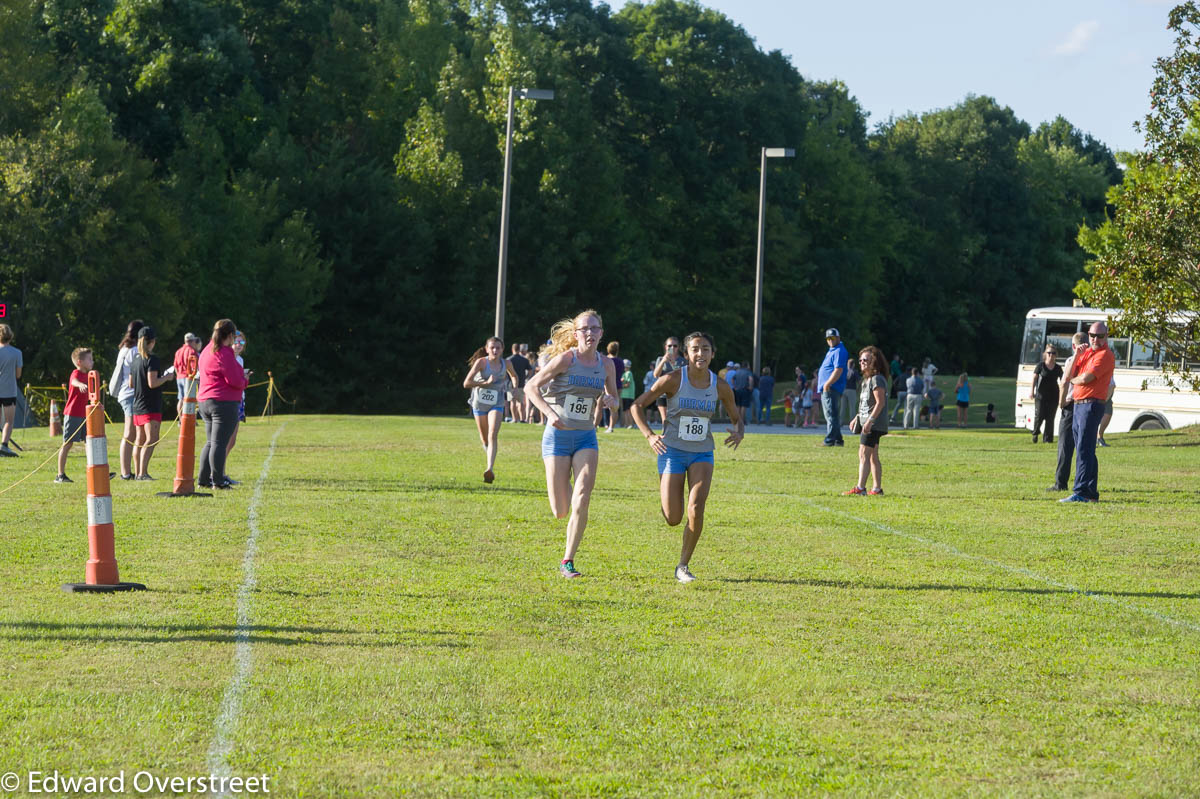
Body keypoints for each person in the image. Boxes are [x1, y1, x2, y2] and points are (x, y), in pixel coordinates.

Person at [631, 331, 743, 582]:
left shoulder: (721, 385)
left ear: (713, 354)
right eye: (695, 349)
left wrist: (739, 431)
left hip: (702, 453)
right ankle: (666, 494)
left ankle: (683, 565)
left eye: (705, 349)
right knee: (673, 518)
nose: (700, 353)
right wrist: (649, 435)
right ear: (686, 354)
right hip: (671, 451)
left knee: (696, 507)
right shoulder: (672, 380)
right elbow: (637, 405)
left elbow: (736, 417)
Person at [525, 310, 619, 578]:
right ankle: (563, 478)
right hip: (557, 437)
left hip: (586, 437)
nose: (590, 333)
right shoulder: (566, 359)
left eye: (595, 328)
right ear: (576, 334)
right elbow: (531, 387)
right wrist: (550, 414)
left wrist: (612, 403)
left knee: (582, 498)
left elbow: (613, 398)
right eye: (585, 329)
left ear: (601, 333)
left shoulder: (607, 365)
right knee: (560, 510)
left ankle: (568, 560)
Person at [1060, 321, 1116, 503]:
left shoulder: (1105, 355)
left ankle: (1081, 491)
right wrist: (1077, 355)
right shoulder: (1086, 353)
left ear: (1106, 336)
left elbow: (1086, 378)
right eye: (1092, 335)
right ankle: (1091, 492)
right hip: (1079, 404)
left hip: (1091, 405)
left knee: (1084, 449)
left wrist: (1073, 380)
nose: (1095, 339)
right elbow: (1068, 374)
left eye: (1100, 336)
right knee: (1086, 448)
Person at [197, 319, 248, 490]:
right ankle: (218, 481)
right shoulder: (224, 352)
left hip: (205, 400)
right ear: (231, 336)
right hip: (222, 402)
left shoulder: (207, 350)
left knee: (211, 442)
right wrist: (244, 381)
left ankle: (204, 479)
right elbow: (233, 380)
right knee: (219, 443)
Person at [463, 335, 519, 484]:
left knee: (493, 434)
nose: (495, 350)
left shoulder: (506, 363)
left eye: (498, 347)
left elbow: (514, 375)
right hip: (479, 402)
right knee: (485, 438)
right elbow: (466, 383)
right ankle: (488, 457)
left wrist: (514, 387)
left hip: (497, 402)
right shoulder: (481, 363)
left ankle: (489, 469)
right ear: (487, 349)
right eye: (492, 347)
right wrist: (485, 383)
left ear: (502, 349)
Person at [129, 326, 174, 480]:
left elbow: (131, 384)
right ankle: (143, 473)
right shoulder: (152, 359)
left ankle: (138, 472)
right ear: (152, 342)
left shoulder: (135, 360)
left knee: (139, 439)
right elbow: (152, 383)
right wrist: (167, 377)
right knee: (151, 439)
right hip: (150, 405)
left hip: (137, 404)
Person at [844, 346, 889, 496]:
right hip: (867, 422)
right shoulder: (866, 379)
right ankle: (877, 489)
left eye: (866, 360)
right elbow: (866, 403)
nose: (862, 362)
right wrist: (857, 417)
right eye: (861, 360)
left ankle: (860, 488)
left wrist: (870, 421)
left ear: (874, 361)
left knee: (863, 453)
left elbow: (880, 402)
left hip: (873, 424)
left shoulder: (877, 379)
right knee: (873, 455)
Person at [1051, 332, 1088, 492]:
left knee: (1065, 446)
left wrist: (1061, 402)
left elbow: (1065, 382)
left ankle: (1061, 483)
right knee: (1084, 446)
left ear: (1074, 346)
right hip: (1087, 405)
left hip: (1071, 404)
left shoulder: (1071, 360)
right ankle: (1083, 482)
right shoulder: (1093, 360)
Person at [107, 319, 144, 479]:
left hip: (125, 394)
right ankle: (126, 472)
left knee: (132, 433)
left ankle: (127, 471)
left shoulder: (124, 348)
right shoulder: (134, 350)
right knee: (129, 433)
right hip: (129, 393)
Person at [55, 348, 93, 482]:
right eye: (89, 359)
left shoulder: (90, 375)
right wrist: (80, 385)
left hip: (84, 415)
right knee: (67, 444)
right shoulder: (75, 373)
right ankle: (60, 475)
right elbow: (73, 381)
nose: (92, 361)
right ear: (79, 362)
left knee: (89, 441)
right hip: (72, 414)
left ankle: (94, 470)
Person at [223, 331, 253, 480]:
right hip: (229, 401)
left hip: (239, 400)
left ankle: (220, 471)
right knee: (226, 438)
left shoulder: (240, 360)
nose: (238, 345)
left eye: (241, 343)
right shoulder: (227, 359)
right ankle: (217, 472)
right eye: (236, 342)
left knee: (232, 440)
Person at [818, 328, 849, 446]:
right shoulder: (833, 350)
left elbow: (838, 369)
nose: (830, 340)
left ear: (838, 338)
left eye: (832, 338)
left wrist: (827, 383)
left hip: (831, 388)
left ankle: (829, 440)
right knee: (833, 414)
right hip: (829, 387)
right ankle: (838, 439)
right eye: (828, 338)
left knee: (830, 414)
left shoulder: (839, 351)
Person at [1030, 345, 1063, 444]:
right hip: (1041, 395)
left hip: (1054, 396)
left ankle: (1048, 439)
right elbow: (1034, 379)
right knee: (1039, 416)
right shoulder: (1040, 366)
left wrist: (1063, 395)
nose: (1051, 355)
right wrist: (1032, 391)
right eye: (1049, 353)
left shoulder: (1058, 368)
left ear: (1056, 355)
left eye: (1053, 353)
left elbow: (1063, 382)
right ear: (1045, 354)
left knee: (1050, 418)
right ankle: (1035, 433)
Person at [653, 337, 685, 431]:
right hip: (662, 393)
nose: (672, 348)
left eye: (675, 346)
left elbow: (681, 377)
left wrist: (672, 363)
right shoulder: (660, 359)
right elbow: (656, 375)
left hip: (677, 393)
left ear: (678, 347)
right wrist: (664, 360)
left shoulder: (682, 361)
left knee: (676, 419)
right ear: (665, 347)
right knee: (665, 419)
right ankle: (665, 437)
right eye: (669, 345)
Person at [0, 324, 22, 457]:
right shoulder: (17, 353)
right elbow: (18, 375)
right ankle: (4, 445)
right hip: (9, 390)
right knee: (9, 420)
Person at [173, 333, 202, 411]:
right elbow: (194, 367)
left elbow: (175, 366)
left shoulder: (178, 351)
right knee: (189, 399)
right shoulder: (191, 351)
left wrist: (178, 375)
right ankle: (188, 419)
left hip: (179, 377)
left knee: (181, 399)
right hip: (188, 378)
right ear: (192, 341)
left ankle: (180, 420)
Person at [507, 342, 532, 423]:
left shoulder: (509, 360)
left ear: (512, 349)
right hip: (521, 383)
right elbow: (530, 370)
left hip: (511, 383)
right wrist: (526, 377)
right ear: (519, 349)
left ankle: (514, 419)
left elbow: (504, 372)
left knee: (512, 401)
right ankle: (522, 419)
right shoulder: (524, 360)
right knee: (521, 402)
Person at [604, 342, 624, 432]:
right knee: (615, 406)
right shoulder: (620, 361)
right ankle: (611, 427)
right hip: (618, 385)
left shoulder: (606, 360)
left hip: (607, 384)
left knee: (600, 405)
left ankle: (595, 425)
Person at [1097, 371, 1117, 447]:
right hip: (1098, 395)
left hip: (1106, 395)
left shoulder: (1108, 368)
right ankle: (1096, 438)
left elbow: (1112, 385)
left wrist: (1106, 399)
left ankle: (1100, 437)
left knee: (1108, 414)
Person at [842, 359, 860, 426]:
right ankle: (852, 422)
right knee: (852, 407)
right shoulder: (854, 372)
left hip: (844, 390)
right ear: (853, 365)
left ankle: (840, 422)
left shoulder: (844, 372)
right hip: (852, 390)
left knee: (842, 408)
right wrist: (858, 389)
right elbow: (859, 381)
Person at [619, 358, 635, 427]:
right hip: (624, 395)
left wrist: (620, 386)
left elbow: (627, 384)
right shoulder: (625, 373)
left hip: (628, 395)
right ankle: (626, 424)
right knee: (625, 410)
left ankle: (630, 424)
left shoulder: (629, 373)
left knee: (628, 410)